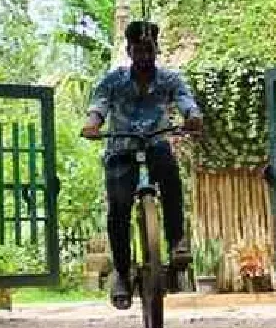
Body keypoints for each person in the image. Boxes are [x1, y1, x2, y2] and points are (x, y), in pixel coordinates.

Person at [81, 20, 203, 310]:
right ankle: (122, 273)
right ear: (129, 50)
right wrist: (93, 124)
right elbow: (99, 104)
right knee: (118, 209)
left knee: (172, 182)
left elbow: (185, 100)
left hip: (156, 145)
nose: (145, 56)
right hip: (121, 147)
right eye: (139, 50)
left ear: (156, 50)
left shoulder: (169, 79)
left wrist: (193, 117)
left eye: (149, 50)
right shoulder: (113, 80)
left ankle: (176, 243)